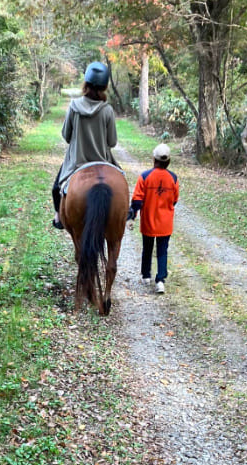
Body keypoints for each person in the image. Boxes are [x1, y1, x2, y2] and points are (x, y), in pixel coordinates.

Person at [52, 61, 121, 229]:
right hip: (102, 162)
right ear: (104, 86)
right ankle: (123, 213)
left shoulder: (74, 107)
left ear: (86, 83)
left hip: (77, 162)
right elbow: (112, 142)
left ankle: (58, 217)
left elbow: (66, 136)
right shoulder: (107, 110)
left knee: (56, 188)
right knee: (121, 183)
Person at [128, 144, 179, 293]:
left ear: (154, 159)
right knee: (163, 251)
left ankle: (145, 276)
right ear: (168, 161)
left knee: (147, 249)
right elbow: (175, 199)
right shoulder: (173, 178)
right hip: (165, 223)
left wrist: (132, 217)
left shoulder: (144, 177)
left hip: (148, 221)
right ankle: (160, 280)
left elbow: (137, 200)